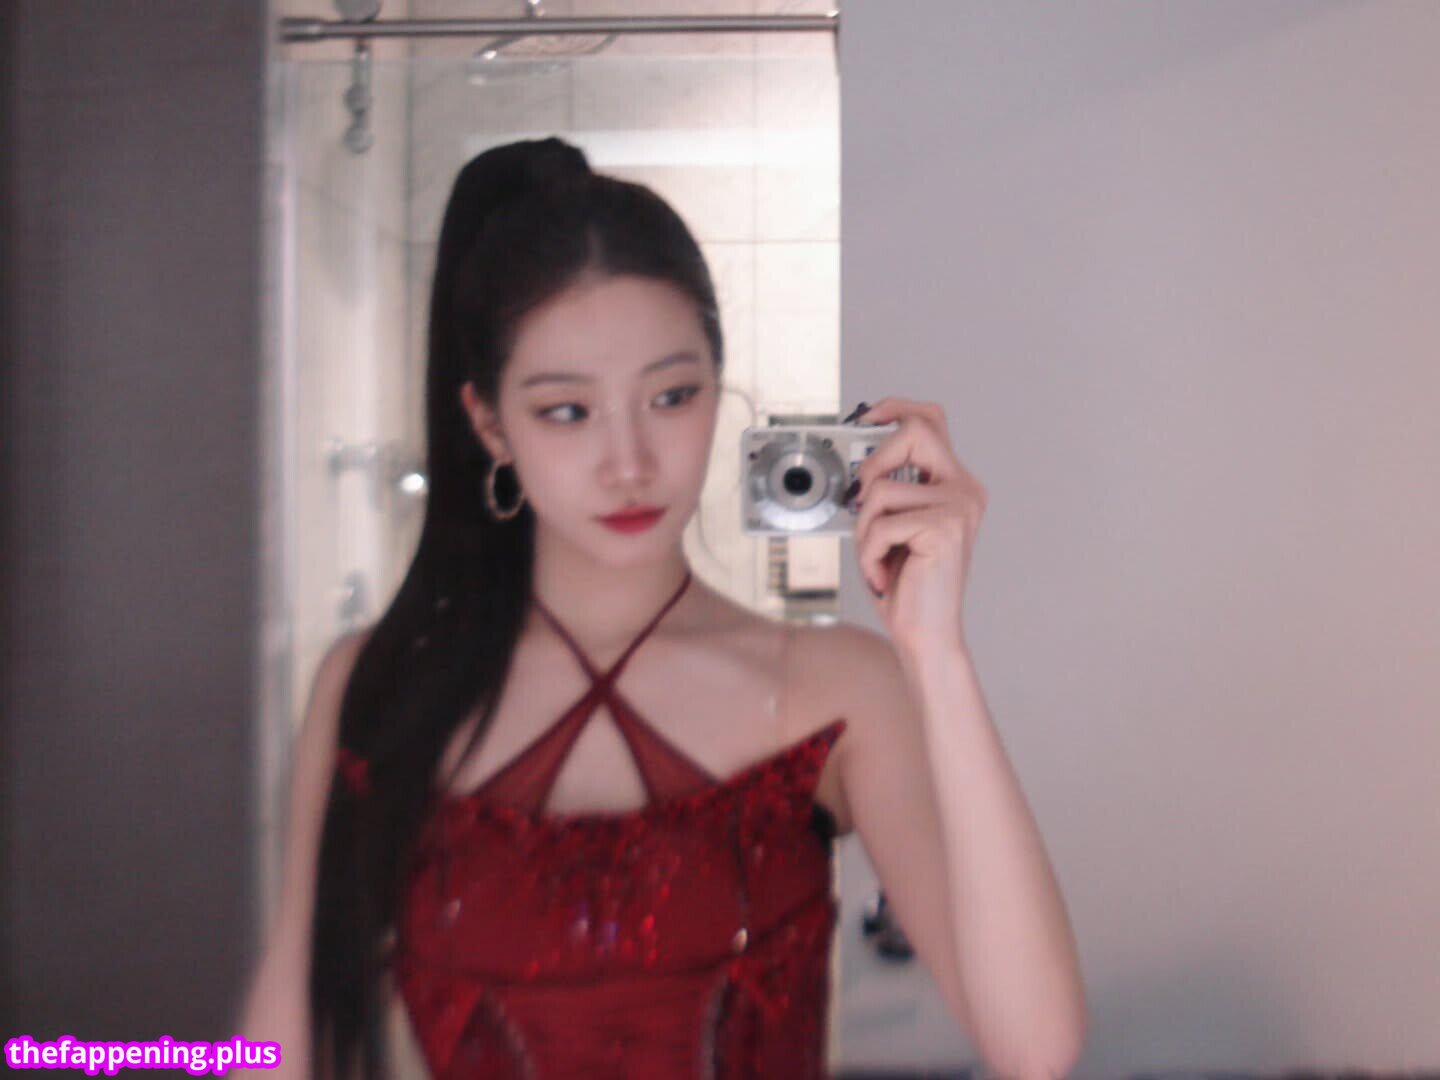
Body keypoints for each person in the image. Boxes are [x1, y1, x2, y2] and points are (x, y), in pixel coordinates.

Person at [237, 136, 1087, 1080]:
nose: (629, 462)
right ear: (489, 424)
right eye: (568, 411)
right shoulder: (379, 683)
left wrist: (937, 651)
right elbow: (276, 1045)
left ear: (718, 388)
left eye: (671, 396)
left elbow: (1036, 1046)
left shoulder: (835, 687)